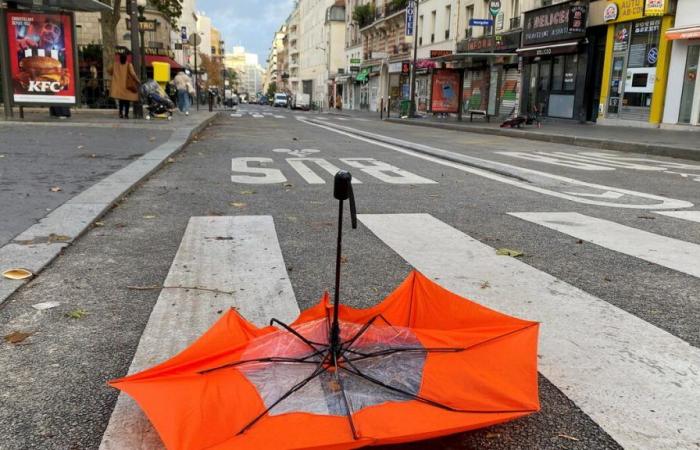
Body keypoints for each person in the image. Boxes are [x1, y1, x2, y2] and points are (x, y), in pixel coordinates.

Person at [109, 53, 139, 119]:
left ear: (120, 59)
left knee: (121, 101)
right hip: (126, 86)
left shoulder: (115, 65)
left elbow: (110, 71)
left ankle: (120, 114)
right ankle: (126, 114)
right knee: (127, 101)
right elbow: (133, 74)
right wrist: (137, 81)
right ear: (126, 59)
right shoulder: (129, 65)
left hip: (119, 86)